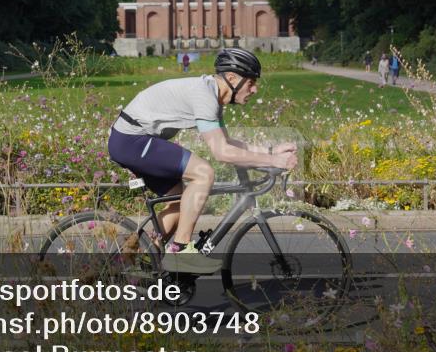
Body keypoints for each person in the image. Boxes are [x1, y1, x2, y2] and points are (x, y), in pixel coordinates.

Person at [107, 48, 298, 273]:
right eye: (251, 82)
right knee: (203, 173)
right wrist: (273, 161)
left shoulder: (211, 95)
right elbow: (222, 152)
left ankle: (129, 261)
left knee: (179, 203)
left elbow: (226, 142)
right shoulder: (205, 96)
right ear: (232, 78)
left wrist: (270, 151)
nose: (254, 89)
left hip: (132, 141)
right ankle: (181, 252)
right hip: (132, 141)